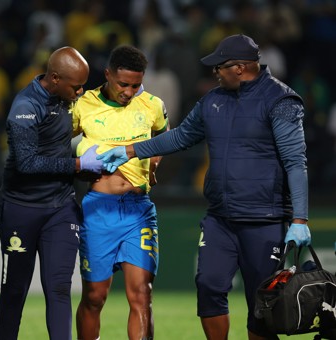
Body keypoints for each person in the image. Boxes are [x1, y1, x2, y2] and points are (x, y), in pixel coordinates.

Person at [97, 34, 311, 340]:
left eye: (219, 66)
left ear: (239, 68)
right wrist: (131, 150)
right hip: (220, 219)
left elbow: (295, 162)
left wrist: (300, 219)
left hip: (264, 220)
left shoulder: (281, 100)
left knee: (263, 306)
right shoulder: (213, 100)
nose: (214, 72)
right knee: (209, 286)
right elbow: (182, 136)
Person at [0, 46, 102, 340]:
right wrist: (77, 164)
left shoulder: (68, 98)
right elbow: (27, 163)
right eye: (76, 86)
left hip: (60, 207)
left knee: (59, 288)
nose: (81, 92)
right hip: (21, 208)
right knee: (15, 290)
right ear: (54, 78)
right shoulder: (25, 107)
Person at [73, 45, 169, 340]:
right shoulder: (83, 104)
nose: (129, 92)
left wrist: (154, 162)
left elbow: (164, 135)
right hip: (98, 209)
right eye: (123, 84)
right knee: (94, 297)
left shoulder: (152, 105)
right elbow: (55, 137)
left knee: (141, 293)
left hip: (138, 209)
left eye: (136, 85)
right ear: (108, 75)